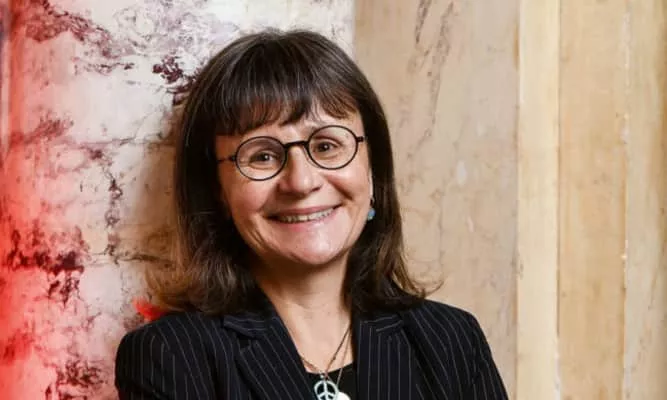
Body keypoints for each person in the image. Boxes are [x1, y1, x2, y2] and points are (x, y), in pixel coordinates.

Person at [114, 29, 508, 400]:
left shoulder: (451, 341)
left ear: (372, 171)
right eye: (262, 156)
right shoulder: (170, 356)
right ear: (218, 191)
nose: (301, 182)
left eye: (326, 146)